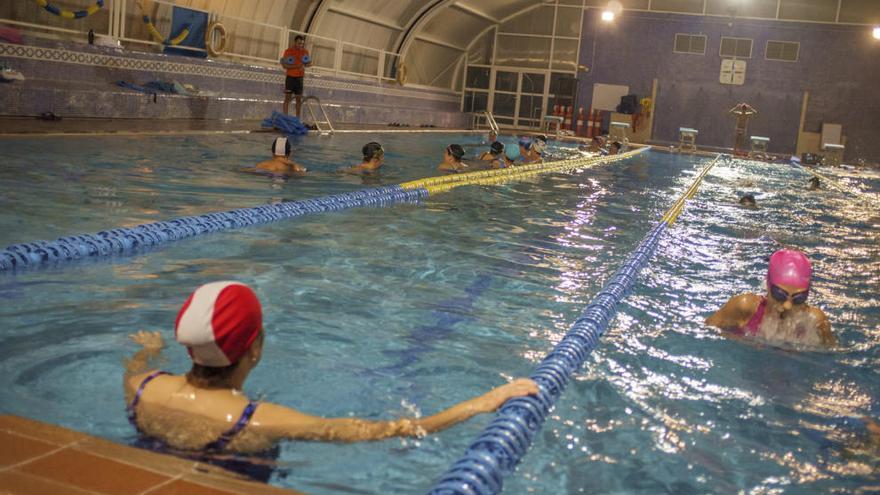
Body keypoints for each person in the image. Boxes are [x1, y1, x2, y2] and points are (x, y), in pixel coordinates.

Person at [124, 282, 539, 462]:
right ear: (255, 348)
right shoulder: (262, 419)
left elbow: (138, 366)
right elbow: (400, 429)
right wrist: (486, 401)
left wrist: (150, 352)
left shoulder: (143, 385)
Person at [706, 249, 836, 347]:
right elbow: (706, 334)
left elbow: (831, 357)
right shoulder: (744, 307)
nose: (787, 305)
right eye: (779, 294)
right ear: (767, 285)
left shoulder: (815, 321)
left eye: (799, 298)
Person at [281, 35, 311, 117]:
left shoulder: (305, 52)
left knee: (298, 99)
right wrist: (297, 66)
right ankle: (285, 118)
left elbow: (308, 63)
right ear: (295, 42)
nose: (300, 45)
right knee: (287, 98)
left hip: (300, 78)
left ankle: (297, 119)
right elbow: (284, 66)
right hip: (290, 77)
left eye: (302, 44)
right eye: (299, 43)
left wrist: (308, 64)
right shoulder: (288, 51)